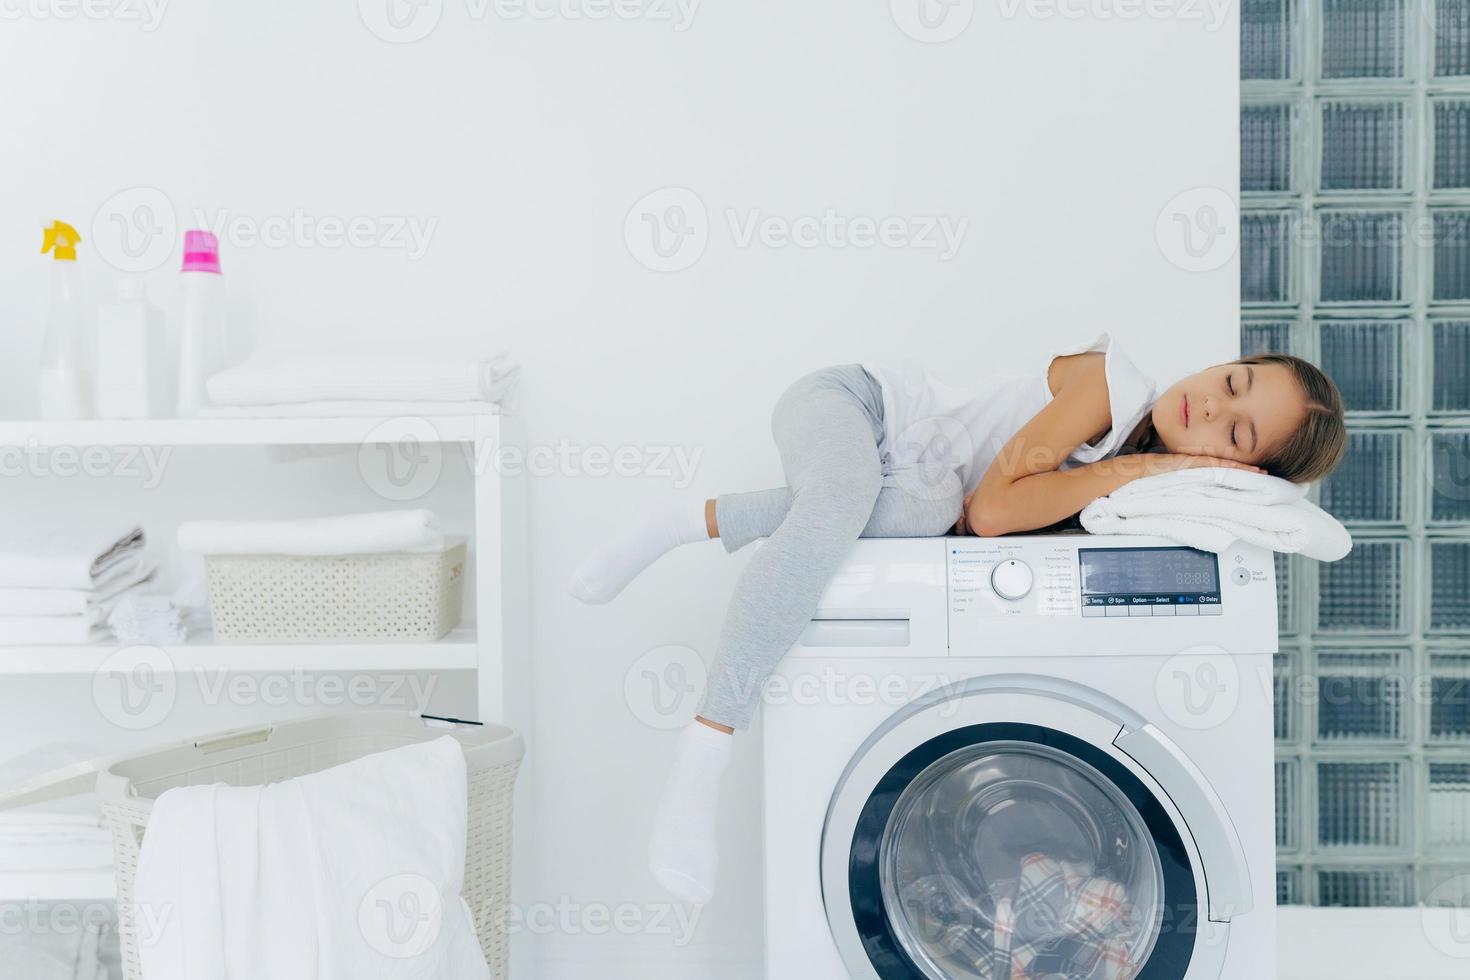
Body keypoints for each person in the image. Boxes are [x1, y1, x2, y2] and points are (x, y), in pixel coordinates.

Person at [568, 331, 1347, 904]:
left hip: (913, 485)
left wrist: (1149, 473)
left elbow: (974, 521)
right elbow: (996, 508)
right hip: (852, 405)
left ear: (1233, 469)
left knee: (913, 513)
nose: (1212, 401)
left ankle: (680, 522)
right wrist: (1149, 462)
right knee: (860, 504)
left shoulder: (1137, 498)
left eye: (1234, 429)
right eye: (1235, 379)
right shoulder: (1117, 385)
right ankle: (706, 749)